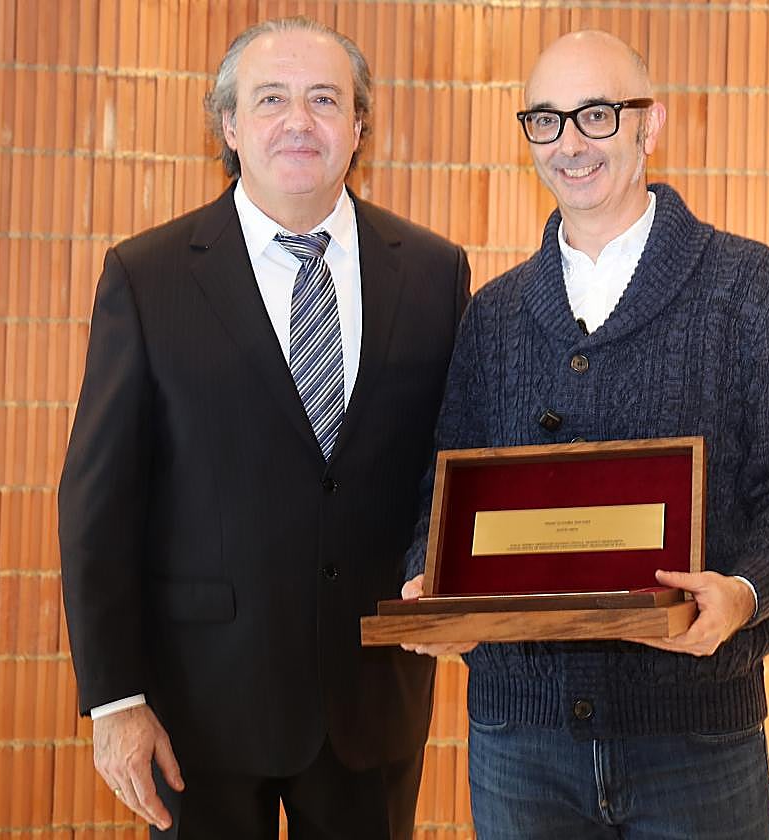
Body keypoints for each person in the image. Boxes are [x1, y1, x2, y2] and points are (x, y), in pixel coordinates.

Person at [401, 30, 769, 839]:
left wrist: (745, 593)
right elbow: (444, 494)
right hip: (520, 744)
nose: (570, 143)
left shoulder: (746, 286)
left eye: (597, 115)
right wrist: (429, 586)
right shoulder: (495, 314)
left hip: (696, 737)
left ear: (652, 125)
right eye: (546, 120)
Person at [59, 16, 470, 839]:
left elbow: (448, 464)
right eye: (271, 98)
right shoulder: (147, 277)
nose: (298, 121)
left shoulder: (434, 272)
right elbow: (97, 503)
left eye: (325, 100)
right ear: (230, 126)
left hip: (372, 703)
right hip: (197, 710)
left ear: (359, 127)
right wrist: (116, 700)